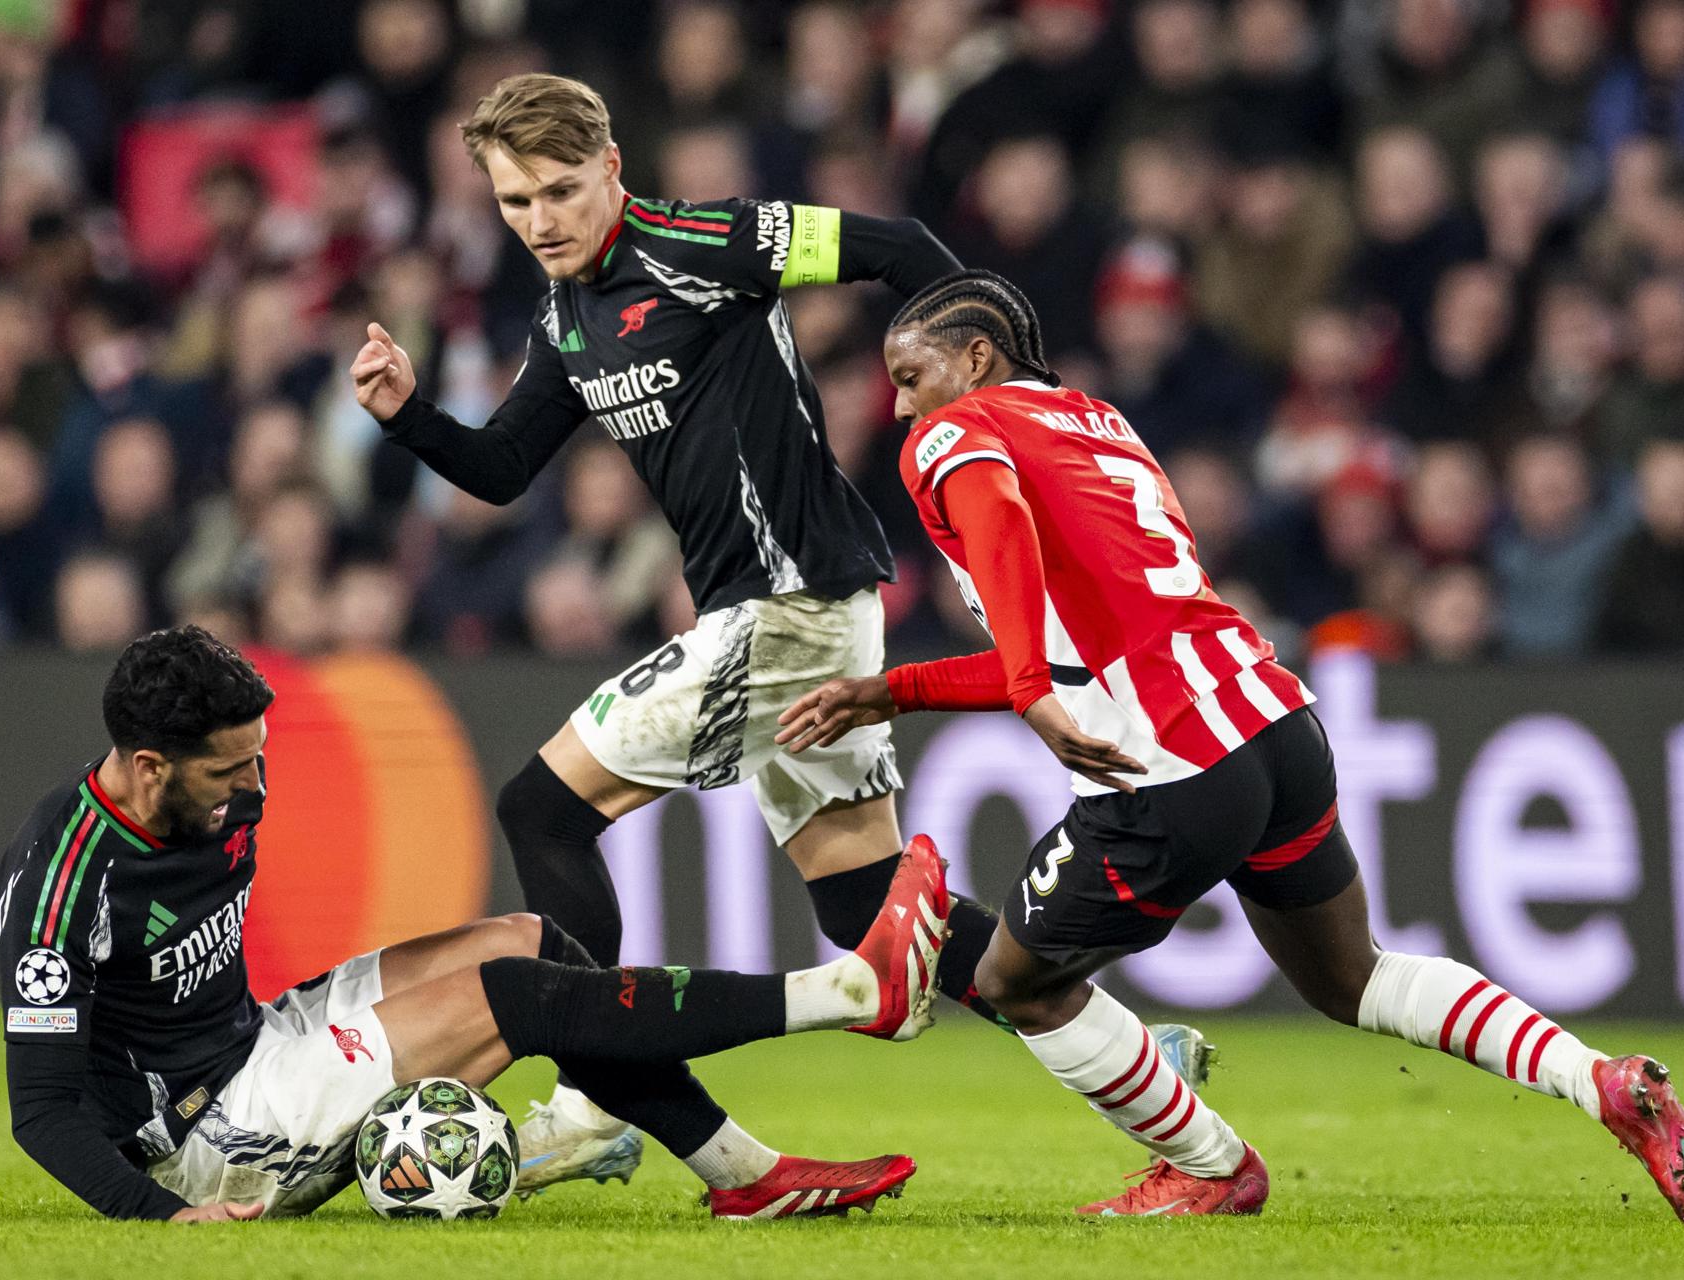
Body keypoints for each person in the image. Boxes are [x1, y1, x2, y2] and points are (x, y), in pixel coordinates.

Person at [349, 73, 1213, 1190]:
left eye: (561, 190)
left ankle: (581, 1098)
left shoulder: (711, 243)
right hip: (791, 608)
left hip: (791, 604)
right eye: (516, 203)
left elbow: (900, 246)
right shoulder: (565, 318)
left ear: (612, 168)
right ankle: (1125, 1050)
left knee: (541, 806)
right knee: (862, 901)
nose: (542, 222)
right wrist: (408, 416)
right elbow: (507, 466)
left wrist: (992, 409)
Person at [776, 270, 1684, 1224]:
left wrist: (1022, 688)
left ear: (976, 357)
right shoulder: (1099, 423)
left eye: (911, 374)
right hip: (1275, 727)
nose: (900, 406)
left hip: (1173, 767)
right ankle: (1602, 1080)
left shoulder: (957, 434)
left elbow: (1003, 535)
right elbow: (1091, 638)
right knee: (1354, 975)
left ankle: (1210, 1164)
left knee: (1012, 982)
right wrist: (891, 692)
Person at [0, 626, 951, 1223]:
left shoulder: (219, 788)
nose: (255, 786)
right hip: (202, 1141)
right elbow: (41, 1112)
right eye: (229, 771)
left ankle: (743, 1173)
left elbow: (230, 797)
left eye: (259, 757)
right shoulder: (60, 888)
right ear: (150, 766)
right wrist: (160, 1218)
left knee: (530, 942)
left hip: (255, 1041)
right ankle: (850, 992)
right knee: (515, 1000)